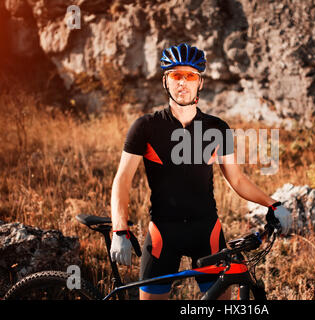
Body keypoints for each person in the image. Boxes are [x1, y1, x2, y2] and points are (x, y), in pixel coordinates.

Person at [110, 43, 292, 300]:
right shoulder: (146, 127)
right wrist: (119, 230)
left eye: (190, 76)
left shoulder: (217, 128)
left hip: (207, 232)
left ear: (200, 83)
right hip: (163, 232)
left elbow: (237, 180)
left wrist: (273, 204)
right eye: (176, 75)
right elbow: (122, 180)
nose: (182, 83)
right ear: (165, 81)